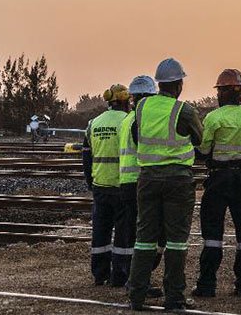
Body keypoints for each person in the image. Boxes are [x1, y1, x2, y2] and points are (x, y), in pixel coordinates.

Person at [128, 58, 203, 312]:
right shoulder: (185, 111)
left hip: (148, 179)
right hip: (178, 181)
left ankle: (136, 295)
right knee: (176, 241)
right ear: (179, 84)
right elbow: (200, 140)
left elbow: (136, 137)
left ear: (159, 83)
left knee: (144, 238)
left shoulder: (142, 108)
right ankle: (175, 299)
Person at [193, 69, 241, 298]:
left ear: (224, 91)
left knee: (213, 233)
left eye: (219, 90)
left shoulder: (214, 118)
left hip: (218, 179)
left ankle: (207, 284)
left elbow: (204, 150)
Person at [117, 75, 162, 299]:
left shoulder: (127, 119)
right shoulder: (139, 121)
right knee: (145, 236)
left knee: (132, 233)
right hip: (139, 182)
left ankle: (131, 278)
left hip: (125, 182)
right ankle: (138, 281)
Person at [82, 84, 131, 286]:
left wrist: (90, 182)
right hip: (122, 185)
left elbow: (86, 156)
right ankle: (120, 275)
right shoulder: (128, 121)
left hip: (100, 185)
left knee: (100, 231)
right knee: (123, 232)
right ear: (125, 101)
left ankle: (99, 273)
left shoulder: (94, 123)